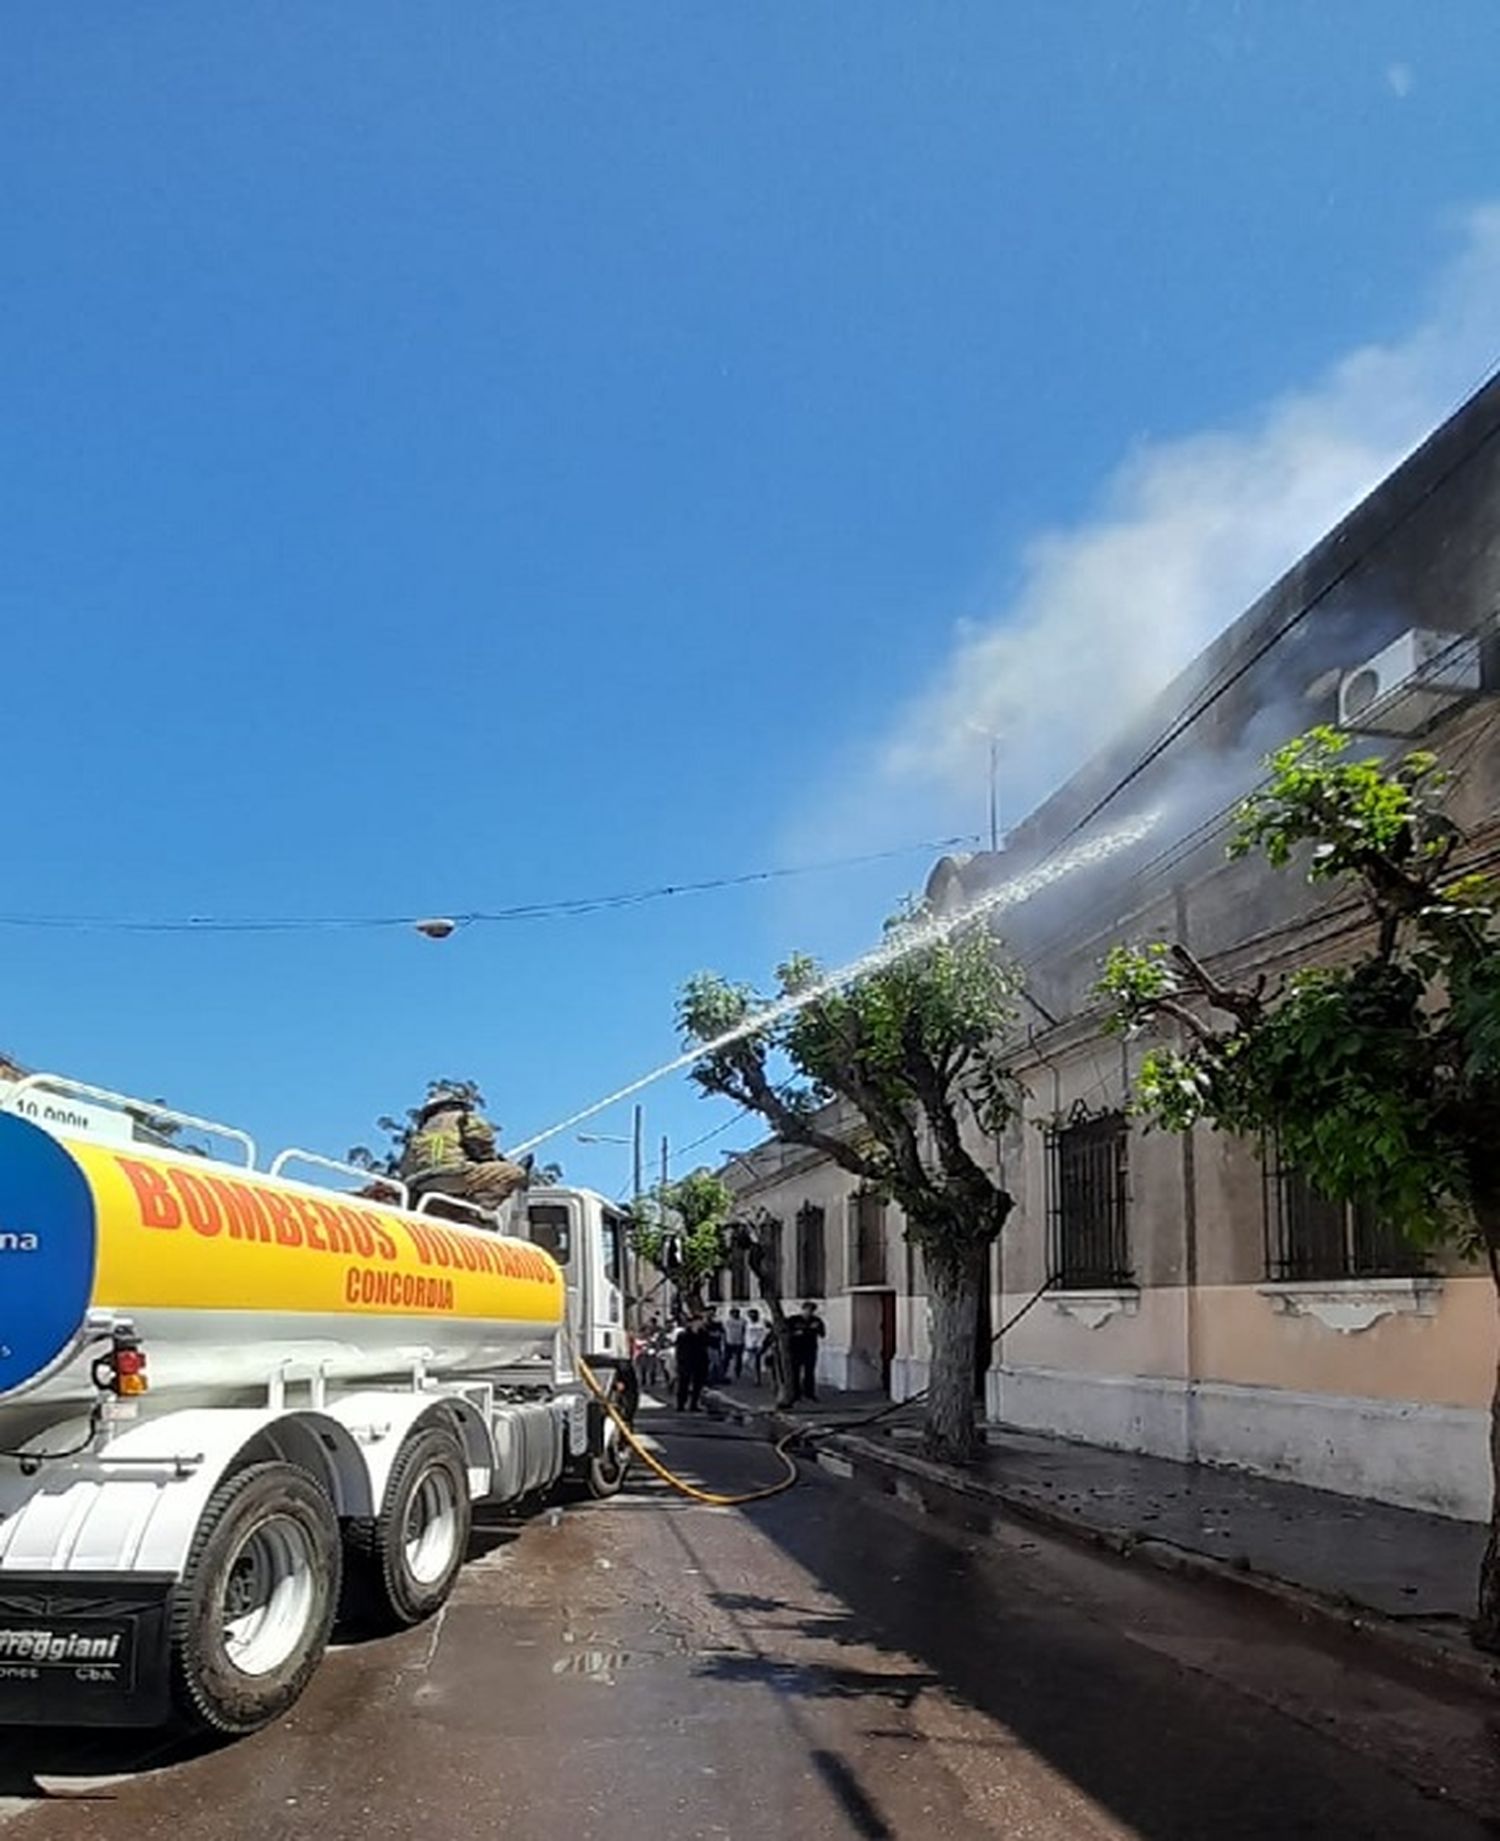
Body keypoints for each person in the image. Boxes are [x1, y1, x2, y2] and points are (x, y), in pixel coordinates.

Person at [398, 1087, 532, 1225]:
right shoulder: (463, 1117)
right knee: (515, 1173)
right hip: (455, 1175)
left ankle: (458, 1213)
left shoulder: (418, 1134)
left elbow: (405, 1167)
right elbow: (481, 1142)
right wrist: (492, 1160)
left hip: (422, 1185)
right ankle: (485, 1209)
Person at [788, 1300, 827, 1403]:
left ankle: (809, 1393)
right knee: (795, 1372)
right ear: (803, 1309)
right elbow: (787, 1332)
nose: (809, 1313)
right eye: (807, 1310)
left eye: (811, 1311)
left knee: (809, 1372)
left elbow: (822, 1334)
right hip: (796, 1350)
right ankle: (795, 1394)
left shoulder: (816, 1320)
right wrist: (800, 1332)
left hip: (810, 1349)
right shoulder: (794, 1320)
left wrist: (816, 1328)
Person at [674, 1312, 711, 1412]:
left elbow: (708, 1343)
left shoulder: (703, 1333)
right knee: (683, 1384)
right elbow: (679, 1350)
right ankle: (680, 1404)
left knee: (698, 1385)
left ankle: (694, 1404)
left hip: (700, 1362)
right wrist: (679, 1362)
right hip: (686, 1362)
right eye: (698, 1322)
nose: (700, 1324)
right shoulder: (683, 1335)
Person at [743, 1307, 767, 1386]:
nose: (752, 1317)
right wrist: (746, 1344)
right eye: (750, 1315)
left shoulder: (762, 1322)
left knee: (757, 1363)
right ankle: (754, 1376)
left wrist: (763, 1343)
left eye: (754, 1315)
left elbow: (767, 1332)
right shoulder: (747, 1323)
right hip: (749, 1345)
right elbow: (744, 1334)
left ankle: (757, 1379)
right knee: (746, 1362)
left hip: (759, 1345)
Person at [723, 1306, 746, 1382]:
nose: (735, 1315)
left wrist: (744, 1341)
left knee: (738, 1359)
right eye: (734, 1313)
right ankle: (724, 1372)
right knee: (726, 1358)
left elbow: (744, 1331)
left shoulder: (742, 1321)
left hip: (739, 1342)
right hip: (729, 1342)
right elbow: (724, 1332)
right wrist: (724, 1341)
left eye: (737, 1313)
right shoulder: (727, 1321)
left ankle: (737, 1372)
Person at [705, 1308, 727, 1384]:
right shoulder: (706, 1323)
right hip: (709, 1345)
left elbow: (721, 1332)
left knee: (715, 1363)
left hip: (714, 1345)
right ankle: (712, 1378)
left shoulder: (716, 1322)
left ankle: (715, 1378)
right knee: (712, 1363)